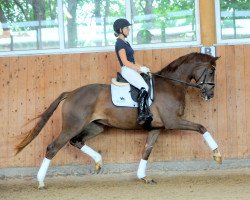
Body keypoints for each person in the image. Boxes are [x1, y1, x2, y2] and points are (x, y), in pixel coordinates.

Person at [113, 18, 152, 125]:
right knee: (145, 88)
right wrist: (139, 69)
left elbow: (133, 61)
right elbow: (125, 62)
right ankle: (141, 114)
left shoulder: (126, 43)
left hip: (132, 69)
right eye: (126, 28)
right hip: (127, 70)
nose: (128, 29)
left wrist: (143, 68)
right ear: (120, 29)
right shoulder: (119, 43)